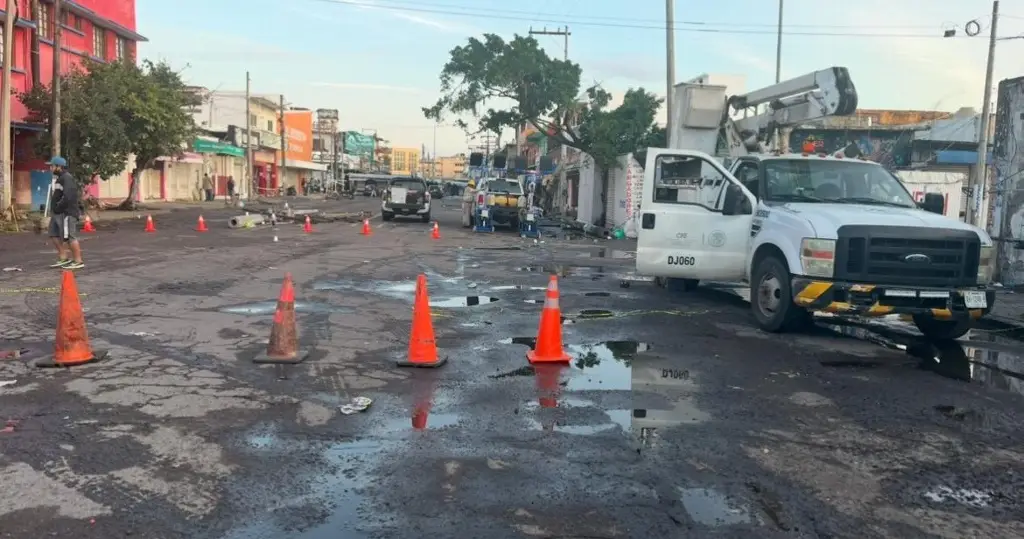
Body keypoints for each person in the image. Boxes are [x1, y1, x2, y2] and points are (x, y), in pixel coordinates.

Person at [47, 156, 84, 270]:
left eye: (52, 166)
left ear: (59, 167)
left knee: (70, 237)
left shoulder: (66, 178)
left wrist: (58, 207)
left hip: (67, 213)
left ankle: (78, 261)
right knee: (53, 234)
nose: (50, 168)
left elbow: (68, 197)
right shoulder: (59, 178)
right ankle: (63, 257)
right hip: (57, 213)